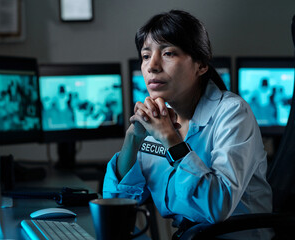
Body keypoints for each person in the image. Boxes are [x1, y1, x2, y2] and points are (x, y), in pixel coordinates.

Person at [103, 10, 273, 239]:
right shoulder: (155, 120)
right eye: (145, 56)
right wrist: (133, 139)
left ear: (201, 65)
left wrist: (170, 140)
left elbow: (216, 206)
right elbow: (116, 204)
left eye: (168, 53)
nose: (152, 66)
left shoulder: (232, 113)